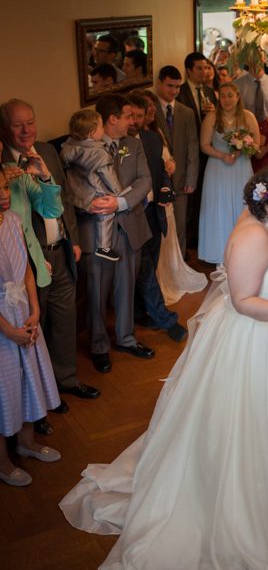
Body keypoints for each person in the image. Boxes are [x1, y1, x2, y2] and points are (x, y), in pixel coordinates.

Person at [60, 165, 268, 570]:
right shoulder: (250, 236)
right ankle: (231, 511)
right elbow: (243, 300)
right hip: (255, 342)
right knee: (243, 425)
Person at [0, 99, 99, 421]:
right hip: (28, 264)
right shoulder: (3, 166)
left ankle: (65, 381)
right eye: (17, 125)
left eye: (30, 122)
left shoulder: (45, 151)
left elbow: (62, 198)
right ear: (4, 129)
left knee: (65, 320)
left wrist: (73, 239)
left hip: (61, 249)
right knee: (35, 330)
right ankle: (36, 405)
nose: (26, 130)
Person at [75, 94, 154, 373]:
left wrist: (120, 202)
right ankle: (99, 346)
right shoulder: (81, 146)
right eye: (128, 116)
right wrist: (93, 203)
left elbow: (145, 180)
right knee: (97, 291)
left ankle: (126, 338)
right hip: (96, 230)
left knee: (126, 287)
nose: (133, 121)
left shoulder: (133, 144)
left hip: (129, 224)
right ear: (112, 119)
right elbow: (72, 187)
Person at [0, 165, 61, 487]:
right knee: (4, 388)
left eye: (4, 188)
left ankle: (26, 442)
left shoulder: (12, 220)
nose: (3, 195)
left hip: (23, 307)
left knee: (28, 377)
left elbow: (25, 268)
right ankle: (3, 462)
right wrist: (7, 330)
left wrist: (35, 310)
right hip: (1, 319)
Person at [139, 90, 207, 304]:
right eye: (148, 106)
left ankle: (169, 276)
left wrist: (172, 163)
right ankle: (156, 285)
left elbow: (169, 155)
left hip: (165, 189)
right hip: (154, 194)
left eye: (153, 105)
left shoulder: (156, 132)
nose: (152, 109)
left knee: (169, 236)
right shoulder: (136, 139)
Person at [198, 82, 259, 264]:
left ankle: (243, 254)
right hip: (218, 168)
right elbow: (204, 145)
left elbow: (256, 144)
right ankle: (219, 254)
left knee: (242, 205)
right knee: (219, 207)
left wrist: (242, 149)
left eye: (230, 95)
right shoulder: (212, 117)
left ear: (237, 96)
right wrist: (223, 155)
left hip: (241, 167)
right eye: (223, 96)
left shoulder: (248, 116)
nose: (226, 100)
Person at [61, 109, 126, 262]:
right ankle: (104, 246)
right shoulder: (99, 153)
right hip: (94, 196)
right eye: (101, 127)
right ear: (91, 133)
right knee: (106, 213)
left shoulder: (69, 148)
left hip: (78, 197)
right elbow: (108, 176)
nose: (104, 130)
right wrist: (119, 193)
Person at [153, 65, 199, 254]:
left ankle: (180, 260)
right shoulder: (151, 110)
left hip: (181, 179)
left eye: (177, 87)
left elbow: (192, 146)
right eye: (169, 86)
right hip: (158, 180)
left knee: (180, 224)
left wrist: (191, 179)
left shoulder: (186, 112)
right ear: (159, 83)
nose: (174, 91)